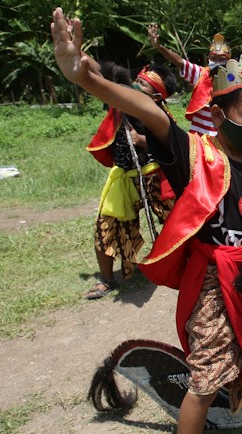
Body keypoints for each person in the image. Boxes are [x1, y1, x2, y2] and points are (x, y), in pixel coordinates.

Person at [51, 9, 242, 434]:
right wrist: (87, 78)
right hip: (213, 284)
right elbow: (146, 109)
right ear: (219, 113)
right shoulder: (196, 155)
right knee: (203, 382)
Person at [85, 61, 177, 299]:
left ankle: (183, 265)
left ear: (157, 96)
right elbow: (104, 76)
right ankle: (107, 280)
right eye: (137, 80)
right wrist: (80, 58)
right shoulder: (120, 102)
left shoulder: (158, 114)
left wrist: (143, 140)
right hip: (124, 178)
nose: (136, 85)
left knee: (177, 222)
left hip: (154, 176)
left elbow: (174, 144)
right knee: (106, 224)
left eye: (143, 84)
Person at [148, 24, 229, 137]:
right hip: (198, 135)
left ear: (229, 61)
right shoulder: (200, 73)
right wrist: (159, 47)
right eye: (213, 58)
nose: (217, 62)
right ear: (208, 59)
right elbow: (179, 61)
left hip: (222, 137)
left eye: (222, 59)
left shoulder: (233, 78)